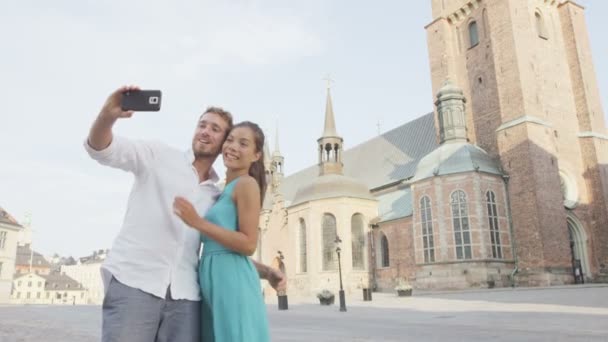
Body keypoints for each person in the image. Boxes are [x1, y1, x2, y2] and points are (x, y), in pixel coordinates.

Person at [85, 86, 285, 342]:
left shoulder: (216, 195)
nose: (205, 131)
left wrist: (266, 271)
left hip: (185, 297)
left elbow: (221, 251)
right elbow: (101, 149)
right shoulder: (158, 156)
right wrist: (107, 115)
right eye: (202, 124)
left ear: (223, 141)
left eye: (215, 129)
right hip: (136, 282)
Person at [174, 121, 270, 342]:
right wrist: (269, 272)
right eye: (230, 140)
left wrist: (197, 222)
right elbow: (223, 244)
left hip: (231, 282)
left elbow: (248, 244)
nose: (233, 146)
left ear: (256, 155)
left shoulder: (247, 184)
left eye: (243, 143)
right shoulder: (221, 191)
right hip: (213, 281)